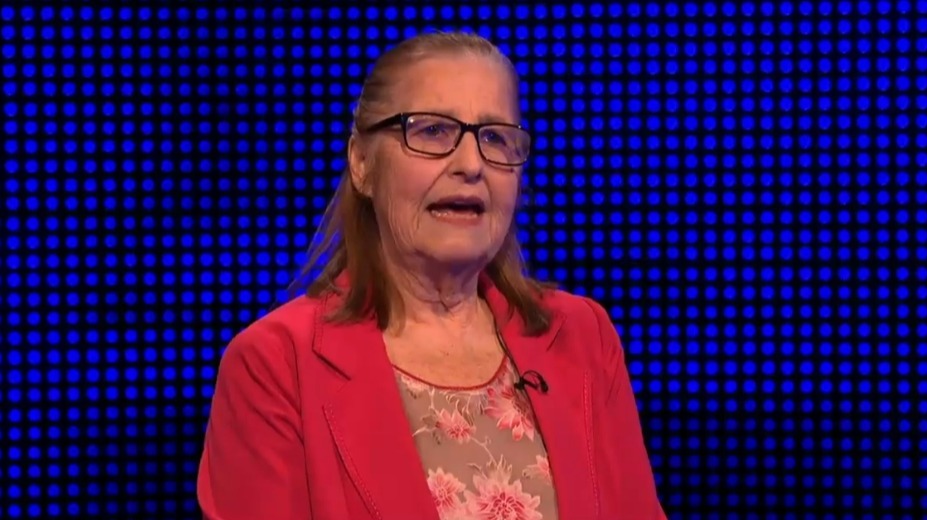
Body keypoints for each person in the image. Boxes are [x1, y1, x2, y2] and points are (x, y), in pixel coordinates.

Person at [196, 30, 667, 520]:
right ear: (361, 163)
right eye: (432, 131)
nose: (471, 165)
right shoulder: (275, 366)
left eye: (495, 138)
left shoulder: (581, 336)